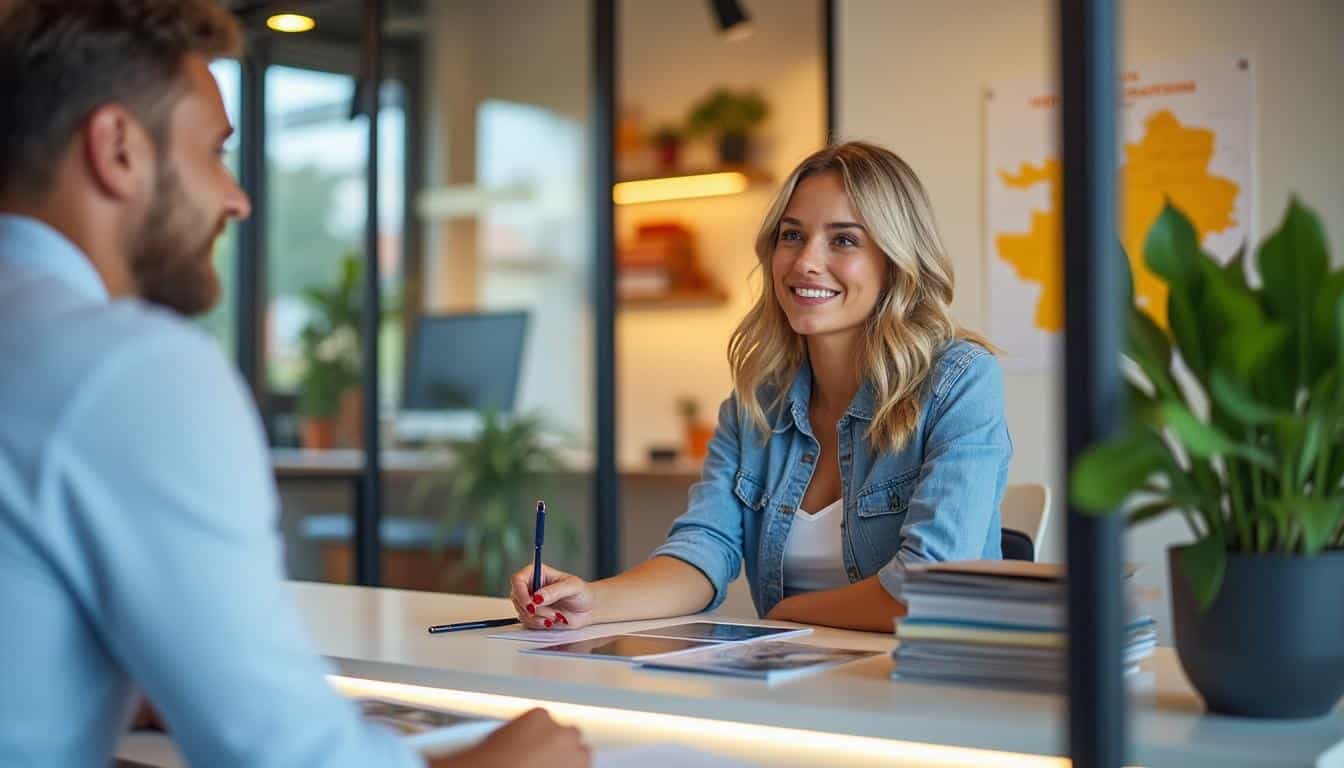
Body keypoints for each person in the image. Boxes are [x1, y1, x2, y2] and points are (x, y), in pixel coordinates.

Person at [0, 2, 588, 766]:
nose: (236, 199)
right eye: (215, 153)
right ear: (116, 148)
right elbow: (282, 756)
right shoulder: (128, 365)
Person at [512, 142, 1012, 634]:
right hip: (789, 690)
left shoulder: (960, 382)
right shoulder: (756, 404)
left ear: (895, 261)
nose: (805, 262)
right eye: (792, 236)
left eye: (843, 240)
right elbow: (704, 549)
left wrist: (788, 615)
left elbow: (928, 589)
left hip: (921, 690)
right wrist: (592, 601)